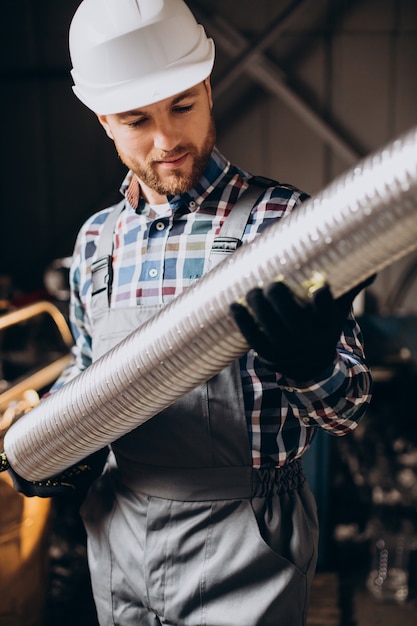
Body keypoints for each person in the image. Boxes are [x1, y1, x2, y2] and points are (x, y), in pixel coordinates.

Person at [9, 1, 373, 624]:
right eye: (136, 119)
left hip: (247, 540)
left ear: (206, 86)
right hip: (118, 531)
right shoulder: (96, 241)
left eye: (182, 105)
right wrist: (50, 448)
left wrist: (313, 367)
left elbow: (347, 415)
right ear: (103, 121)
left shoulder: (286, 224)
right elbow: (88, 370)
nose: (167, 140)